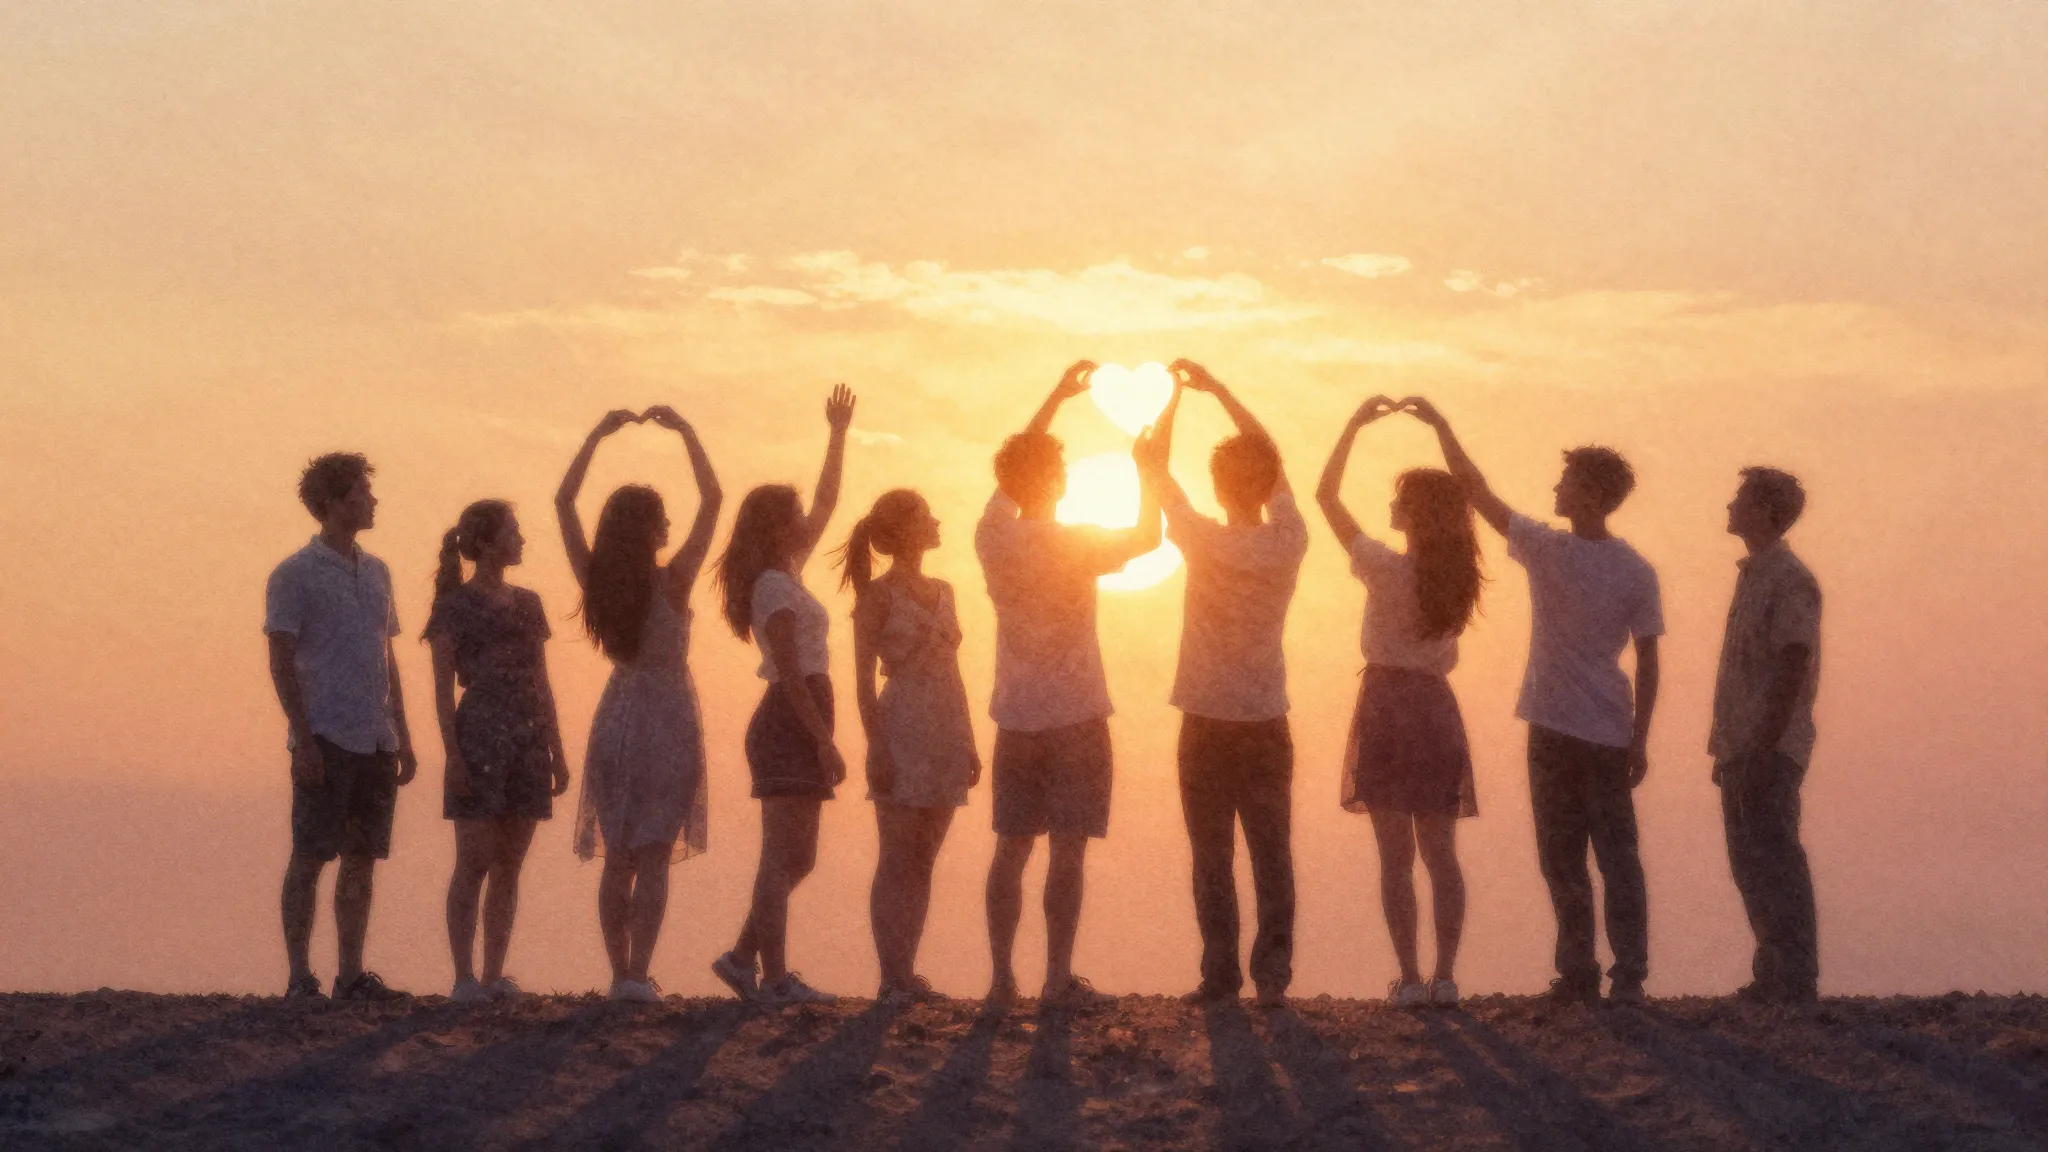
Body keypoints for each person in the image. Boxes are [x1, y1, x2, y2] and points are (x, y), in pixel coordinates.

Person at [1407, 397, 1663, 1005]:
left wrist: (1640, 739)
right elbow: (1476, 490)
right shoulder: (1571, 553)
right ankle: (1584, 973)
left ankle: (1623, 974)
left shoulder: (1621, 567)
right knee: (1567, 856)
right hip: (1559, 724)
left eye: (1567, 481)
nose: (1556, 488)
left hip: (1598, 732)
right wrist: (1442, 427)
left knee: (1606, 857)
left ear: (1592, 496)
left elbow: (1650, 658)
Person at [976, 360, 1165, 1013]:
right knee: (1067, 852)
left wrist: (1053, 398)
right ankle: (1056, 979)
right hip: (1077, 714)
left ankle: (1001, 980)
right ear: (1057, 481)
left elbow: (1014, 472)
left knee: (1011, 847)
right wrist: (1147, 470)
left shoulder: (993, 536)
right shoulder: (1075, 542)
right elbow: (1149, 535)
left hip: (1016, 714)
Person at [1139, 361, 1307, 1009]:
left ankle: (1220, 976)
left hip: (1206, 718)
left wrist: (1175, 399)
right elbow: (1270, 458)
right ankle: (1273, 977)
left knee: (1211, 855)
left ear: (1217, 485)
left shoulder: (1199, 537)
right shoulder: (1288, 539)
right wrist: (1222, 392)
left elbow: (1154, 466)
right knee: (1272, 854)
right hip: (1264, 718)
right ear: (1266, 487)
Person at [1316, 397, 1484, 1009]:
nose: (1391, 506)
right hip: (1435, 708)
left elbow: (1326, 497)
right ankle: (1446, 976)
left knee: (1395, 857)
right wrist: (1442, 427)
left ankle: (1410, 978)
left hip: (1387, 703)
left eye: (1400, 499)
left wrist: (1352, 426)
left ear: (1415, 513)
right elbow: (1469, 494)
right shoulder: (1458, 578)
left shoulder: (1384, 567)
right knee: (1441, 855)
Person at [557, 405, 722, 1003]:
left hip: (618, 715)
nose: (670, 526)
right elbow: (713, 499)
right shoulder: (673, 582)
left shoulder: (599, 581)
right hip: (668, 716)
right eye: (662, 520)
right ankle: (640, 973)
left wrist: (596, 436)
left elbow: (563, 503)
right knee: (653, 855)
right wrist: (687, 431)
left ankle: (619, 973)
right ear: (651, 530)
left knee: (618, 857)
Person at [711, 384, 857, 1008]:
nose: (805, 522)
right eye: (792, 515)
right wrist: (824, 740)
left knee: (799, 858)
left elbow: (826, 502)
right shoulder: (772, 587)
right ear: (775, 525)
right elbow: (792, 675)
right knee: (781, 858)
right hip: (790, 719)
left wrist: (838, 434)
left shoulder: (788, 572)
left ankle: (741, 959)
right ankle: (772, 978)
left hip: (805, 713)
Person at [264, 452, 418, 1001]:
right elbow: (281, 659)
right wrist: (303, 739)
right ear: (333, 502)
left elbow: (386, 656)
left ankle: (351, 974)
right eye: (361, 493)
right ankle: (299, 975)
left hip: (375, 736)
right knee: (310, 856)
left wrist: (403, 735)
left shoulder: (377, 573)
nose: (372, 501)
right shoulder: (294, 574)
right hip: (325, 734)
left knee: (362, 857)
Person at [425, 500, 571, 1004]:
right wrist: (453, 756)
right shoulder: (452, 608)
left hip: (528, 737)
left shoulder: (529, 603)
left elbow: (542, 679)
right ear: (486, 544)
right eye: (513, 532)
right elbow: (443, 691)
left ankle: (493, 974)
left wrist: (556, 748)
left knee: (510, 863)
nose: (521, 539)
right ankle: (463, 977)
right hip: (480, 733)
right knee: (474, 860)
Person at [841, 489, 983, 1005]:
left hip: (945, 725)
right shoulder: (877, 597)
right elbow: (862, 681)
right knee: (896, 855)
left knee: (924, 858)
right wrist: (875, 746)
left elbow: (954, 670)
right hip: (901, 724)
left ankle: (908, 971)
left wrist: (968, 739)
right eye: (926, 516)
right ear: (905, 530)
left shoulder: (945, 589)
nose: (936, 521)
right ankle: (891, 975)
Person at [1711, 468, 1822, 1004]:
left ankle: (1794, 976)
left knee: (1774, 853)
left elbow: (1792, 662)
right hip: (1740, 743)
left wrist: (1764, 745)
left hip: (1768, 746)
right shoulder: (1754, 575)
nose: (1730, 505)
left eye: (1741, 498)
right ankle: (1772, 972)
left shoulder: (1788, 579)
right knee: (1748, 859)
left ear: (1765, 511)